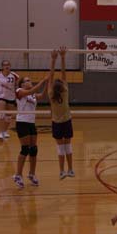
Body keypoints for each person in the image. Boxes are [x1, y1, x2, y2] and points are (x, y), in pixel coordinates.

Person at [12, 75, 48, 189]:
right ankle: (17, 175)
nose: (30, 81)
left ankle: (31, 174)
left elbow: (41, 95)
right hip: (22, 122)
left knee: (34, 149)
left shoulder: (32, 94)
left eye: (30, 80)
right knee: (25, 149)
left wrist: (47, 83)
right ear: (22, 84)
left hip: (31, 123)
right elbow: (33, 90)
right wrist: (42, 80)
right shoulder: (19, 91)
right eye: (27, 80)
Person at [48, 48, 75, 180]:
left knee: (61, 148)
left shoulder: (50, 93)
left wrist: (53, 59)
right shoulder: (65, 91)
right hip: (66, 121)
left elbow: (51, 75)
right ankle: (70, 169)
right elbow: (63, 74)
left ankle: (62, 171)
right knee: (67, 146)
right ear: (63, 87)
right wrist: (63, 57)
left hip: (56, 123)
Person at [0, 60, 19, 140]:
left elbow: (18, 85)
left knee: (9, 116)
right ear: (2, 67)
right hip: (1, 97)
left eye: (8, 64)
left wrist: (18, 94)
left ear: (10, 66)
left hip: (11, 97)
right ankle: (1, 132)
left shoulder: (14, 75)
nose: (7, 66)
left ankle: (5, 131)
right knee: (1, 114)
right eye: (5, 65)